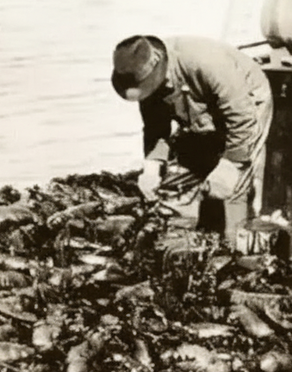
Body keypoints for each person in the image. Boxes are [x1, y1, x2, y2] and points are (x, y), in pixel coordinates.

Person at [111, 35, 272, 241]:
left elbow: (242, 117)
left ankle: (236, 245)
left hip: (246, 100)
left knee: (234, 185)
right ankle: (205, 231)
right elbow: (155, 128)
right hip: (202, 107)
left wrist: (231, 163)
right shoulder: (143, 77)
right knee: (196, 167)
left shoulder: (206, 62)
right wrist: (152, 165)